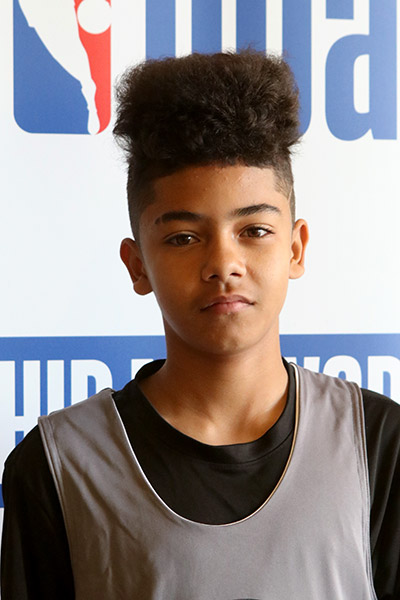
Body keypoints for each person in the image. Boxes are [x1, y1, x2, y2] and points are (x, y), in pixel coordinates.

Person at [1, 50, 400, 599]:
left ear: (296, 248)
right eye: (184, 238)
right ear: (137, 265)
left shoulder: (378, 445)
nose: (223, 264)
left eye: (254, 231)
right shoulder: (58, 466)